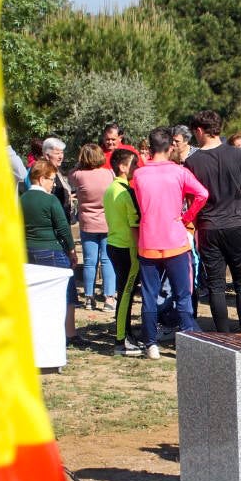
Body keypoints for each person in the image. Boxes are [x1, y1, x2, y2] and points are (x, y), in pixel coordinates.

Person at [131, 127, 208, 359]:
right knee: (183, 294)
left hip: (149, 241)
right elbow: (202, 194)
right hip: (175, 240)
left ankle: (151, 343)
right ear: (170, 146)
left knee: (149, 295)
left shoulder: (139, 175)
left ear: (150, 147)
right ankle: (187, 337)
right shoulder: (178, 172)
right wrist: (185, 218)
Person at [184, 110, 241, 334]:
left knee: (216, 285)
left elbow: (191, 199)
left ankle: (223, 334)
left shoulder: (192, 161)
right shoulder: (238, 154)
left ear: (199, 130)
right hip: (235, 223)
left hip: (208, 227)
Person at [22, 159, 82, 347]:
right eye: (51, 180)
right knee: (66, 292)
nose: (53, 184)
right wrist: (71, 249)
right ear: (40, 179)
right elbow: (63, 227)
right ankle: (67, 334)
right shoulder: (50, 200)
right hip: (52, 250)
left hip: (28, 251)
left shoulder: (21, 199)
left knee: (36, 295)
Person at [104, 149, 143, 356]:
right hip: (127, 248)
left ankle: (126, 334)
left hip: (113, 244)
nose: (136, 168)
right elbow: (134, 225)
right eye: (133, 164)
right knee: (126, 295)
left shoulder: (111, 188)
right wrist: (140, 252)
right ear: (122, 167)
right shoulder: (126, 192)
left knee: (124, 292)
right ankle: (120, 341)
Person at [70, 143, 118, 311]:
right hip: (107, 222)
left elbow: (69, 176)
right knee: (107, 260)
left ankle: (89, 298)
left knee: (90, 262)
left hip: (87, 223)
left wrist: (79, 164)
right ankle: (109, 298)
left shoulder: (78, 175)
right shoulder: (108, 173)